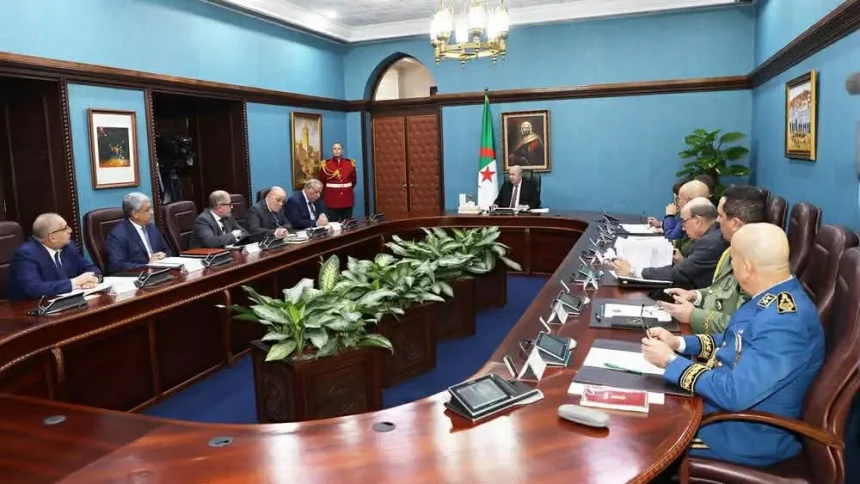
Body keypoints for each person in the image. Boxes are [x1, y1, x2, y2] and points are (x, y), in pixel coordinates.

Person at [641, 223, 824, 467]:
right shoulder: (770, 297)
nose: (731, 267)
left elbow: (734, 394)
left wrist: (670, 361)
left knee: (645, 434)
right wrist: (679, 343)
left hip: (740, 435)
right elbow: (733, 341)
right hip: (720, 410)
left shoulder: (786, 324)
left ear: (746, 267)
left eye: (733, 260)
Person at [658, 185, 768, 333]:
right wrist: (696, 296)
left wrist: (693, 316)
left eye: (720, 216)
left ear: (735, 223)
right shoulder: (731, 250)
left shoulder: (756, 265)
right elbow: (718, 291)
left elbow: (741, 326)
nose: (716, 221)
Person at [611, 197, 727, 289]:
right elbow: (695, 268)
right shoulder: (713, 235)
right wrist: (683, 262)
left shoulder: (710, 243)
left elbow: (678, 273)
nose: (682, 228)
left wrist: (633, 271)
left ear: (698, 221)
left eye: (684, 222)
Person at [9, 213, 101, 300]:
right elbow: (33, 288)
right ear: (52, 237)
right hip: (33, 306)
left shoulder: (69, 246)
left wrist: (93, 279)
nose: (70, 230)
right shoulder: (26, 254)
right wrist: (75, 282)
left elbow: (91, 269)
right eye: (65, 228)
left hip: (67, 302)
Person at [105, 192, 172, 273]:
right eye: (147, 210)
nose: (152, 212)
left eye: (151, 208)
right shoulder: (118, 235)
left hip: (160, 272)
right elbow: (116, 265)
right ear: (135, 214)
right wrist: (147, 266)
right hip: (138, 276)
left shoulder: (151, 227)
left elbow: (167, 251)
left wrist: (164, 256)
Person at [319, 142, 357, 222]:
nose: (337, 150)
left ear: (342, 151)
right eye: (334, 149)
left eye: (339, 148)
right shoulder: (326, 165)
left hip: (347, 199)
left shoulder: (350, 163)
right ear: (332, 151)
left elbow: (353, 180)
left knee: (347, 224)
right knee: (333, 224)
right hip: (332, 199)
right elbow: (322, 181)